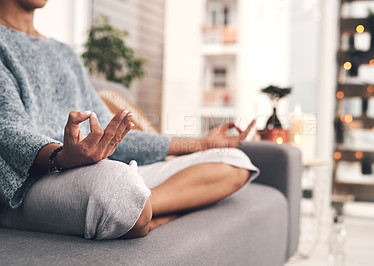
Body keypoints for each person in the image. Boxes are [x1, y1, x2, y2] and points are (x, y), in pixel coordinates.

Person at [0, 0, 259, 240]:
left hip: (93, 171)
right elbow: (8, 128)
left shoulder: (65, 54)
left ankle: (143, 210)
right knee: (118, 190)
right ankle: (143, 208)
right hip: (30, 183)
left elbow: (111, 135)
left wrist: (202, 144)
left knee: (233, 161)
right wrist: (62, 157)